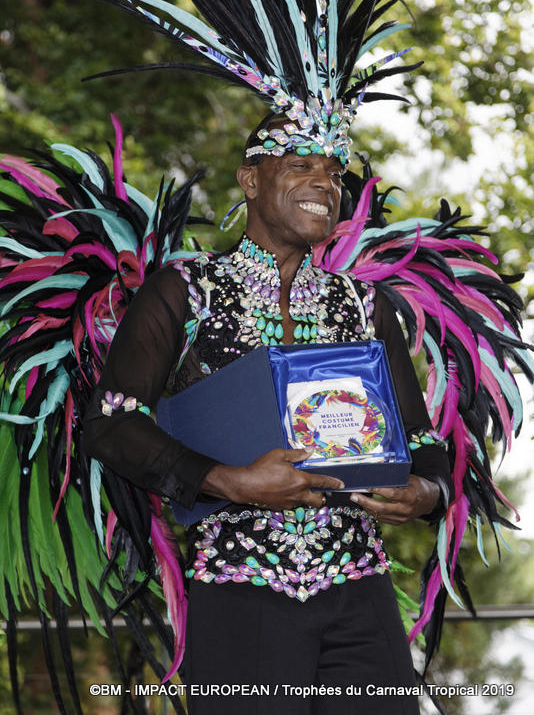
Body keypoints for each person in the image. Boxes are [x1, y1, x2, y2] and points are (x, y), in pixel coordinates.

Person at [82, 137, 453, 715]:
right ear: (250, 180)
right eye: (301, 166)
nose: (325, 185)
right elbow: (110, 423)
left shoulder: (366, 305)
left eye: (334, 174)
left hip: (360, 589)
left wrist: (425, 492)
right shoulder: (185, 292)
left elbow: (423, 442)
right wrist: (229, 482)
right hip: (236, 592)